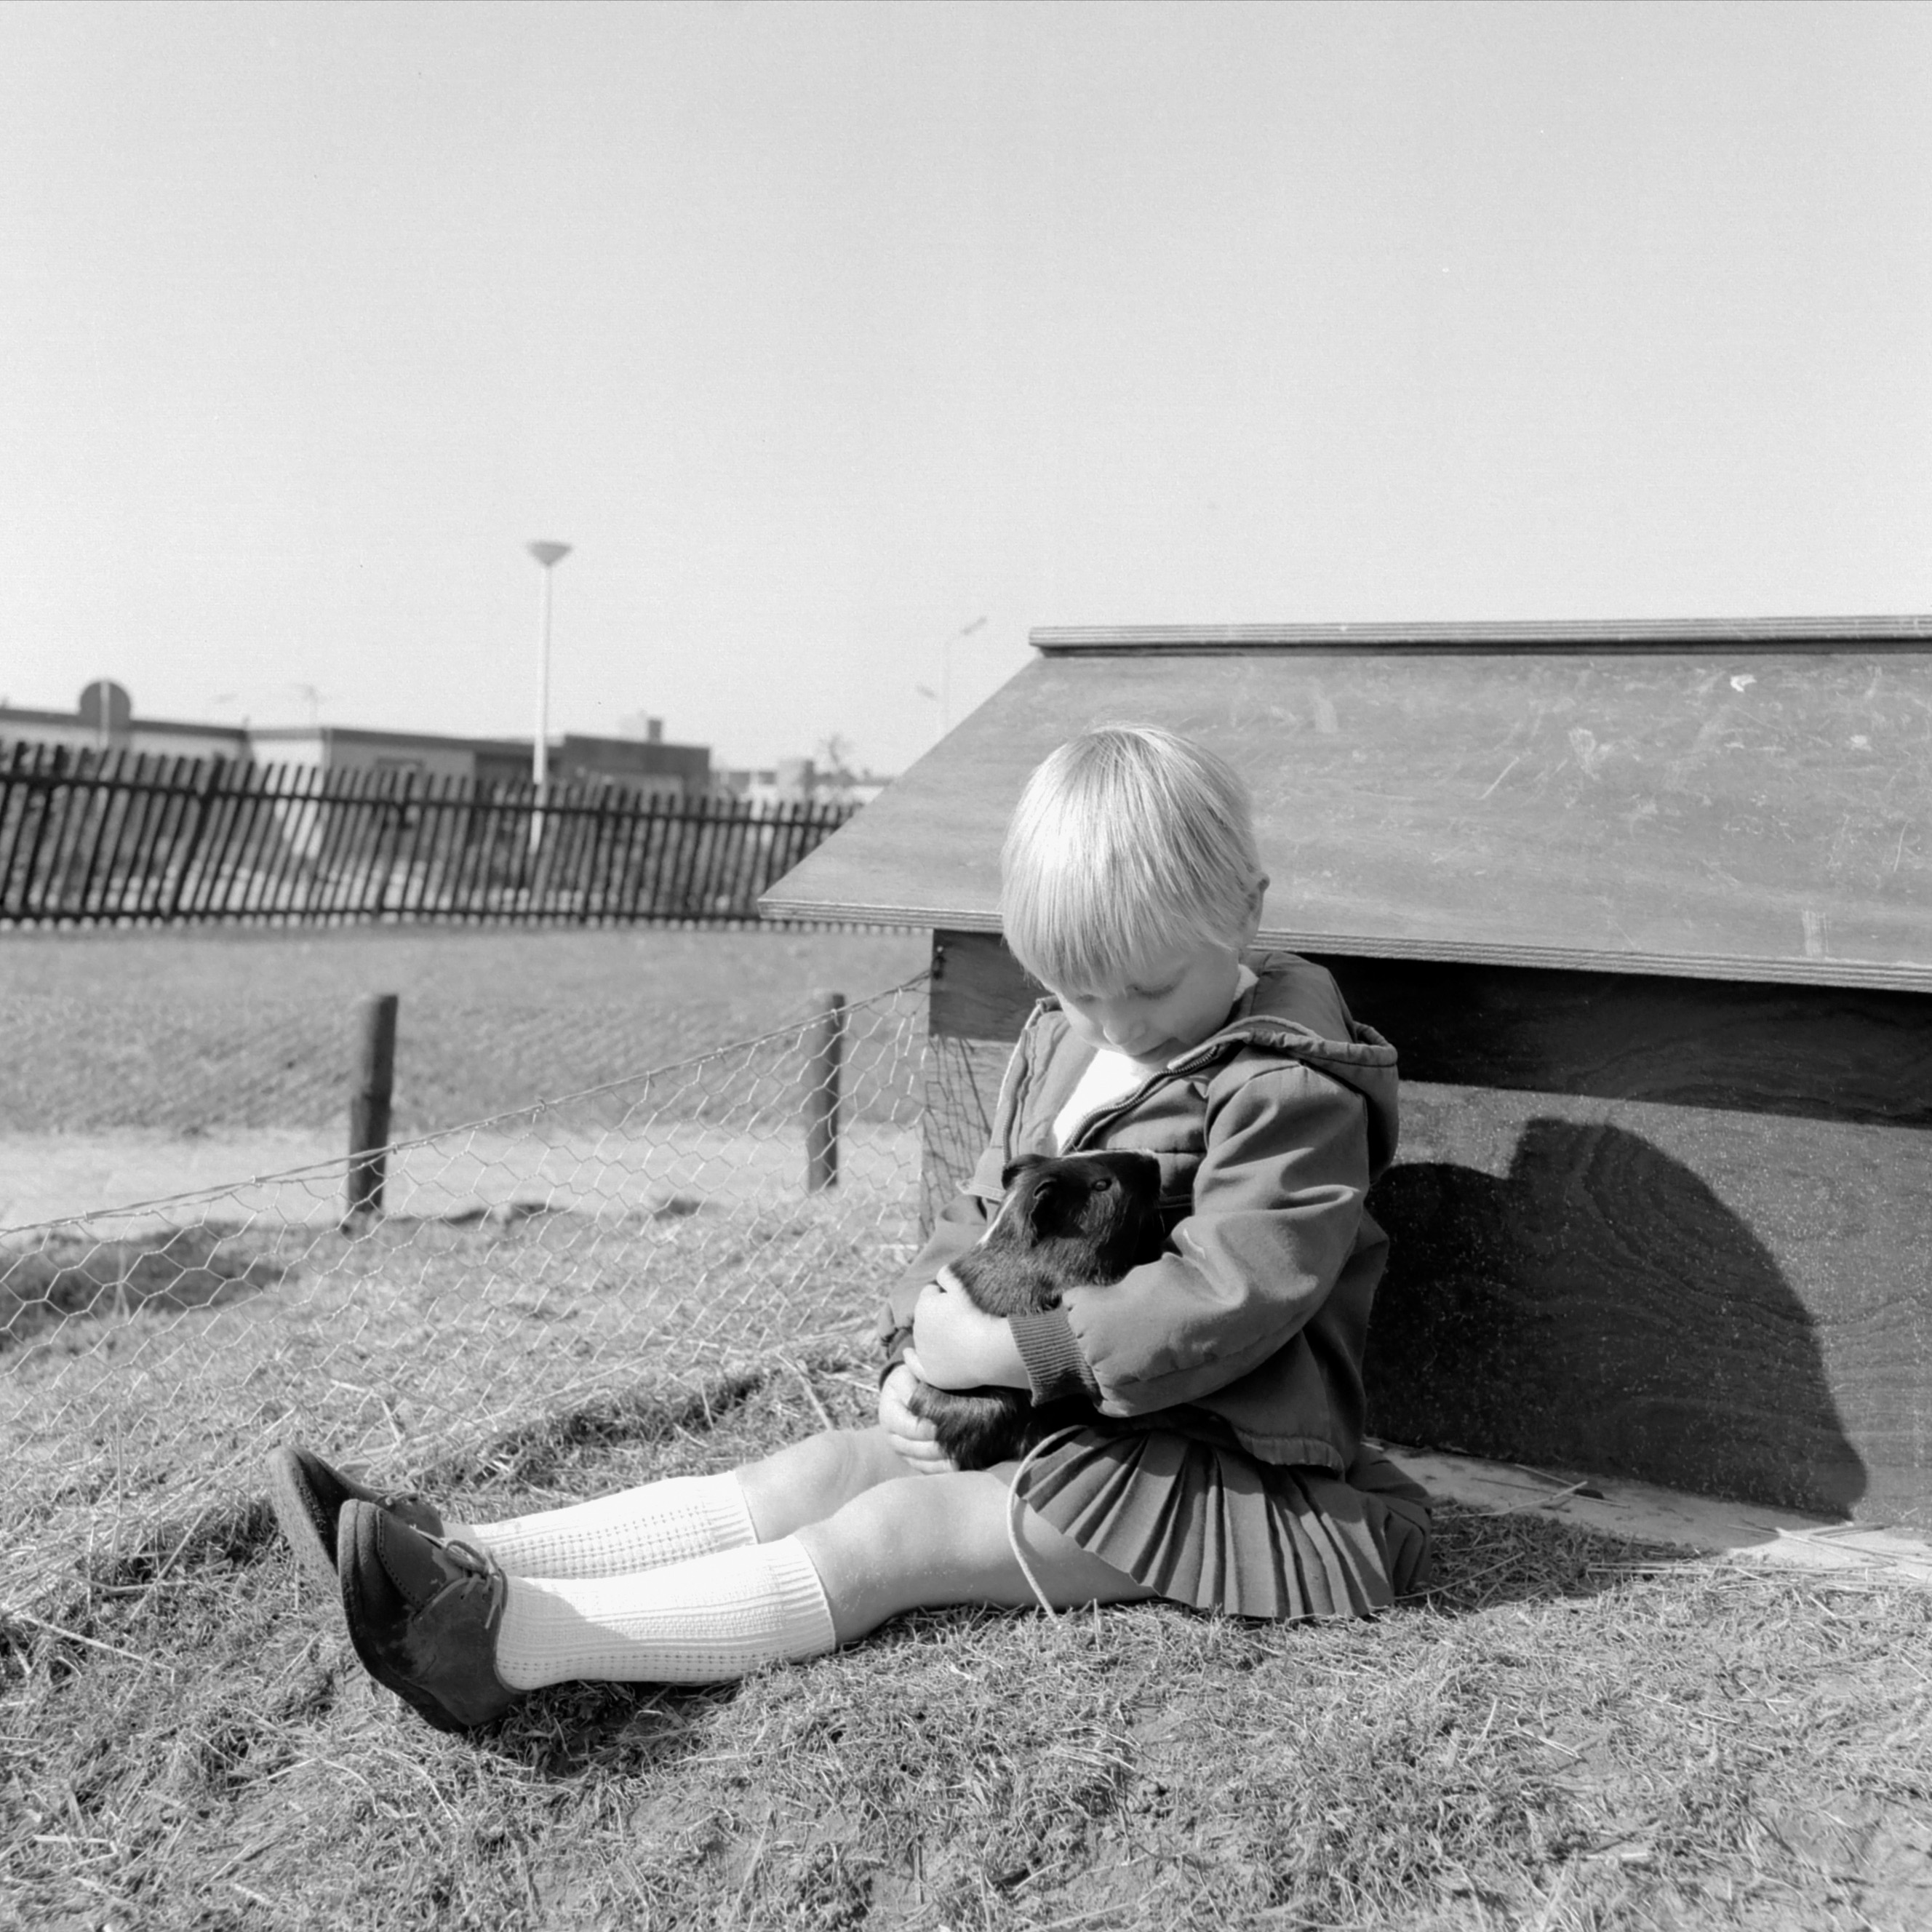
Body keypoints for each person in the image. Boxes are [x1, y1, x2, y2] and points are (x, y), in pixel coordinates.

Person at [268, 724, 1432, 1734]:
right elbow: (977, 1223)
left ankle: (509, 1645)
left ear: (1245, 913)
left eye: (1154, 988)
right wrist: (915, 1356)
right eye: (1083, 991)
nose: (1121, 1023)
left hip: (1205, 1466)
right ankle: (463, 1552)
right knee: (821, 1469)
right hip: (1050, 1423)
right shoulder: (1065, 1044)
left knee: (895, 1536)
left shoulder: (1285, 1090)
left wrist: (1012, 1353)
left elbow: (1234, 1291)